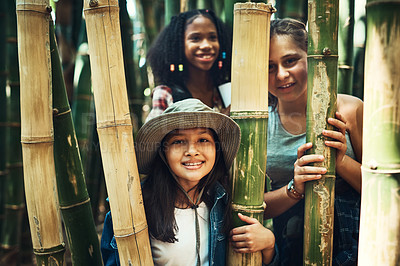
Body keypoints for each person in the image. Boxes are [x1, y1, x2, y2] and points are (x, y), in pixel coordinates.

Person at [100, 99, 276, 265]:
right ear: (163, 152)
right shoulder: (134, 211)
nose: (192, 151)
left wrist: (269, 246)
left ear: (217, 149)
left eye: (203, 140)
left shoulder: (226, 201)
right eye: (178, 141)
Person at [263, 18, 363, 265]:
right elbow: (252, 207)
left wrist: (340, 161)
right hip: (290, 241)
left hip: (356, 239)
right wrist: (294, 188)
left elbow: (385, 190)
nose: (282, 75)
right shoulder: (258, 122)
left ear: (312, 56)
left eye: (290, 61)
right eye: (270, 66)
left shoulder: (349, 109)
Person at [145, 9, 232, 121]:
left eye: (212, 38)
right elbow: (151, 137)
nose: (206, 45)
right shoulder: (167, 95)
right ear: (179, 45)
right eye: (196, 38)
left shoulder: (226, 92)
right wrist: (221, 123)